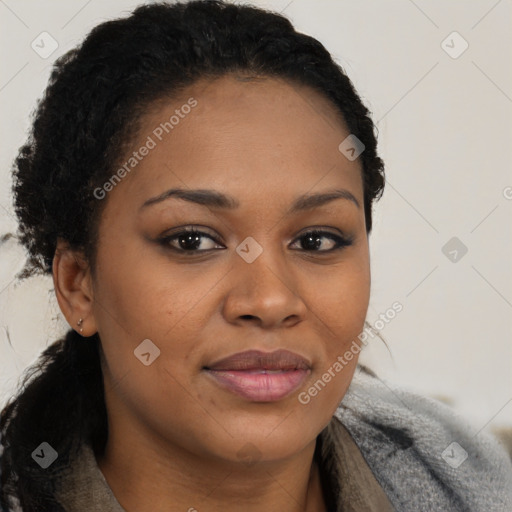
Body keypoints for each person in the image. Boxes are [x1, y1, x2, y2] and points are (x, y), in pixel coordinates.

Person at [1, 1, 511, 511]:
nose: (269, 300)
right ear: (78, 285)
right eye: (193, 240)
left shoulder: (476, 485)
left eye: (316, 240)